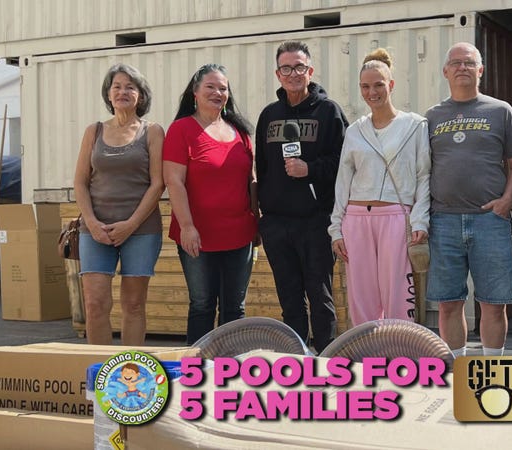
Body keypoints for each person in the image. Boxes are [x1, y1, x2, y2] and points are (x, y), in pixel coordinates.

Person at [424, 42, 512, 358]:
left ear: (480, 70)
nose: (462, 68)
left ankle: (491, 370)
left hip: (490, 221)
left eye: (469, 63)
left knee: (494, 304)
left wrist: (507, 201)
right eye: (456, 63)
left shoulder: (500, 111)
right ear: (445, 71)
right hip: (443, 221)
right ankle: (457, 370)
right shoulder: (431, 116)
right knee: (449, 303)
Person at [255, 41, 349, 353]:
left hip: (316, 220)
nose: (293, 73)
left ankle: (326, 362)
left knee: (320, 298)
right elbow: (263, 168)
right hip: (277, 224)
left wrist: (310, 168)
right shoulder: (269, 115)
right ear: (277, 74)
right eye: (286, 68)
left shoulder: (329, 111)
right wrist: (262, 218)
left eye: (299, 67)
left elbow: (344, 163)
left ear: (309, 71)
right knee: (289, 298)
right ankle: (296, 362)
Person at [329, 48, 431, 325]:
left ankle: (402, 358)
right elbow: (343, 181)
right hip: (357, 219)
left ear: (391, 85)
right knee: (361, 298)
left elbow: (424, 175)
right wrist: (336, 227)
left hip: (396, 218)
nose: (371, 92)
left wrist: (420, 220)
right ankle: (367, 359)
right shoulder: (355, 130)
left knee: (398, 295)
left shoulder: (415, 125)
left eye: (378, 85)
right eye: (365, 86)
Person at [163, 64, 257, 345]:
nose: (218, 92)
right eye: (211, 87)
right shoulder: (181, 130)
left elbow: (251, 179)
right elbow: (174, 181)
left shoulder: (240, 131)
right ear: (195, 92)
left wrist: (257, 221)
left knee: (235, 309)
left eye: (223, 88)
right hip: (198, 237)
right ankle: (198, 374)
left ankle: (230, 372)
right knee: (202, 305)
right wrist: (188, 226)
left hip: (240, 235)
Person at [73, 63, 164, 346]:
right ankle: (99, 377)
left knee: (134, 305)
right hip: (95, 230)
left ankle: (131, 378)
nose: (123, 92)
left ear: (140, 95)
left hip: (141, 230)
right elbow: (79, 182)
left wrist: (130, 225)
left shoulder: (152, 131)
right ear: (108, 94)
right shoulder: (94, 131)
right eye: (117, 87)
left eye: (130, 87)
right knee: (95, 304)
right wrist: (91, 223)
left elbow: (158, 183)